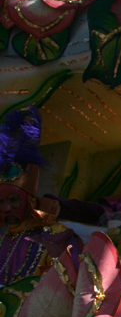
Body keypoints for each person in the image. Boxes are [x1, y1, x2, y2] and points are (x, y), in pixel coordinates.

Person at [0, 107, 80, 285]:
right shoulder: (3, 239)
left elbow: (72, 284)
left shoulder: (58, 237)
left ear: (29, 201)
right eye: (0, 202)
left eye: (14, 200)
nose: (6, 208)